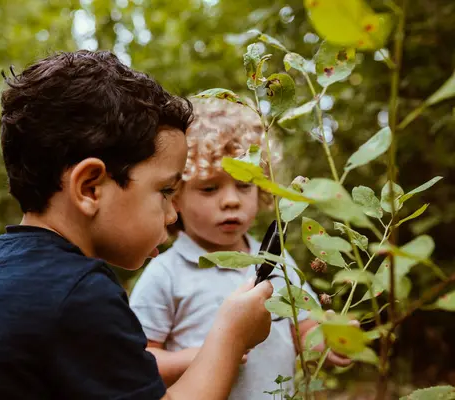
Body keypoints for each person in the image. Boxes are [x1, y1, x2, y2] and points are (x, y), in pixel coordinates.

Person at [0, 50, 274, 400]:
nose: (172, 215)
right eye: (165, 190)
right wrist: (231, 334)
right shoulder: (77, 294)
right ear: (89, 187)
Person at [129, 97, 352, 399]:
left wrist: (330, 339)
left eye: (245, 185)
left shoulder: (276, 260)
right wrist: (207, 353)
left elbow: (303, 329)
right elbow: (138, 361)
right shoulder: (166, 273)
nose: (231, 200)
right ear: (175, 196)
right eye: (210, 188)